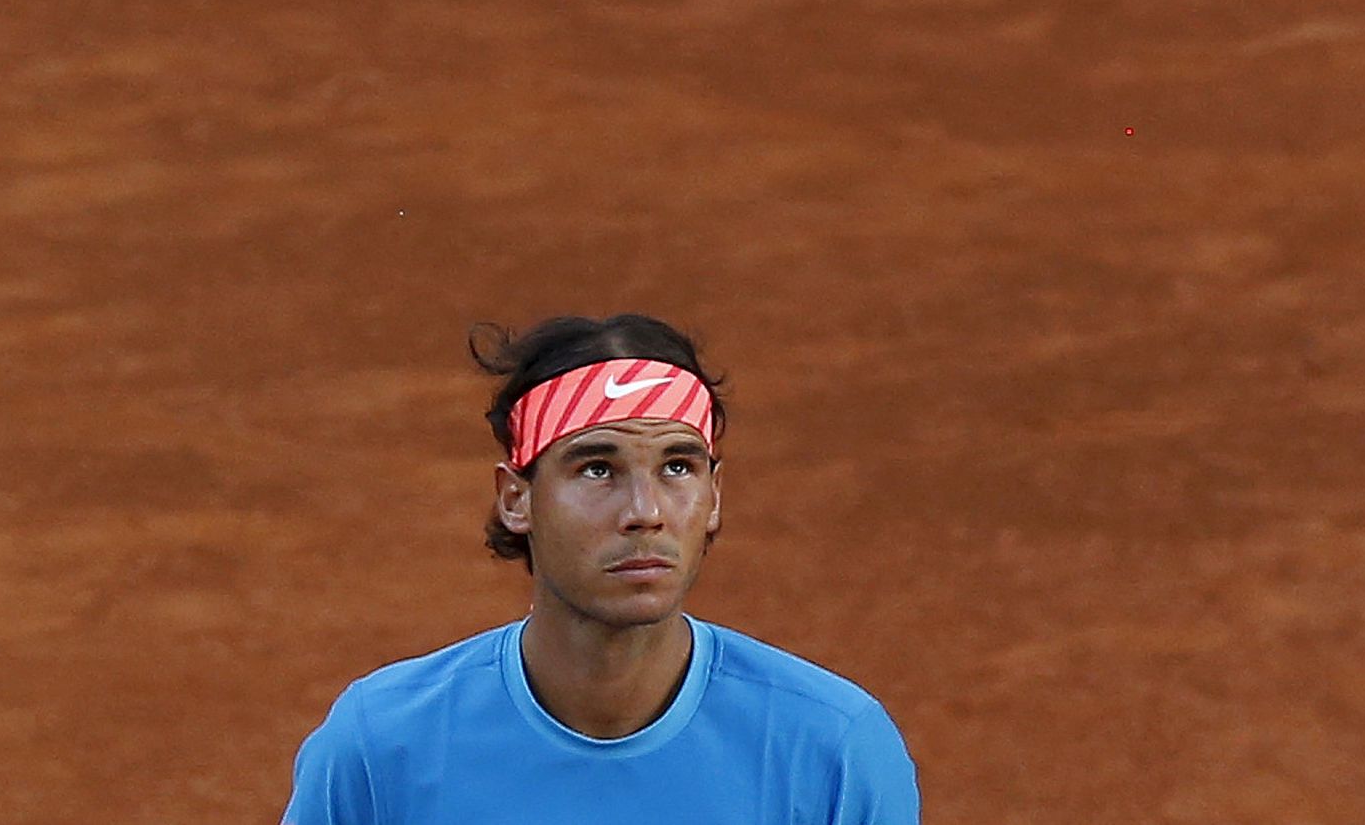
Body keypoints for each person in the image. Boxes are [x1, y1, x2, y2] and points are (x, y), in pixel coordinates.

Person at [280, 312, 922, 824]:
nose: (645, 512)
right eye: (597, 469)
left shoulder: (833, 751)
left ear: (715, 497)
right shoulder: (382, 747)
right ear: (516, 500)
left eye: (677, 467)